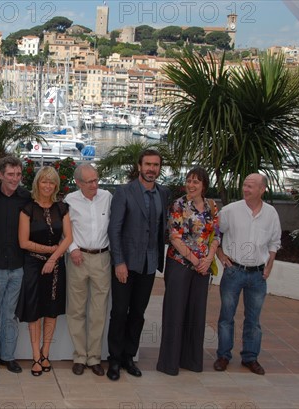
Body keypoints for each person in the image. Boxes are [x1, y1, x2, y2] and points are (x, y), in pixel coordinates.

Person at [107, 148, 170, 381]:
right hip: (126, 264)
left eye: (156, 165)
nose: (151, 169)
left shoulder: (163, 193)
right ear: (139, 166)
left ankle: (128, 356)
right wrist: (119, 261)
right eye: (148, 164)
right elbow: (114, 229)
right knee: (120, 312)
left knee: (139, 313)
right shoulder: (124, 192)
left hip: (149, 264)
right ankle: (113, 360)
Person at [213, 173, 281, 376]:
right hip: (234, 271)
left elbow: (274, 242)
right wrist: (220, 255)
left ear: (262, 190)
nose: (246, 189)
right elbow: (214, 233)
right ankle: (223, 355)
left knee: (253, 320)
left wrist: (269, 266)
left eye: (251, 186)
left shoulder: (271, 214)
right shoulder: (231, 210)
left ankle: (250, 358)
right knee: (226, 317)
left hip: (258, 275)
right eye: (244, 185)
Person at [156, 167, 220, 375]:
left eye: (196, 182)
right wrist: (195, 260)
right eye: (189, 180)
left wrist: (208, 259)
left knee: (196, 313)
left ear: (204, 186)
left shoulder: (212, 206)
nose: (191, 185)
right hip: (180, 265)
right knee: (175, 312)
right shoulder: (178, 205)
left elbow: (216, 236)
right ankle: (169, 363)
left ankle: (191, 361)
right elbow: (174, 236)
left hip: (202, 268)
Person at [16, 166, 73, 376]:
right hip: (32, 265)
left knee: (51, 310)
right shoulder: (27, 209)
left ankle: (46, 352)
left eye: (51, 182)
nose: (47, 186)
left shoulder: (62, 208)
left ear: (56, 185)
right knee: (34, 311)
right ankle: (35, 356)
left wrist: (53, 258)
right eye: (44, 181)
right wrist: (49, 251)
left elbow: (68, 237)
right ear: (37, 183)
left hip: (56, 266)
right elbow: (23, 242)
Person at [0, 156, 31, 374]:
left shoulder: (26, 198)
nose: (15, 179)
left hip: (17, 265)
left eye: (18, 174)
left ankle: (8, 357)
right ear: (0, 175)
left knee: (10, 315)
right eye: (10, 174)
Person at [64, 163, 112, 376]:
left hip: (102, 258)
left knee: (98, 311)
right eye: (89, 181)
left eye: (96, 179)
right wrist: (72, 249)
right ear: (78, 183)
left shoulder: (107, 197)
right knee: (76, 309)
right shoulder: (70, 201)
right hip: (77, 258)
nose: (95, 184)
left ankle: (94, 358)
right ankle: (79, 357)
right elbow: (65, 230)